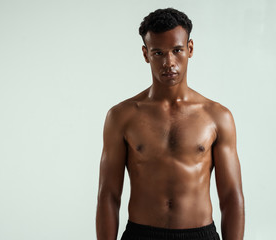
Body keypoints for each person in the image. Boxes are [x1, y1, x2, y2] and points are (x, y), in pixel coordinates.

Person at [96, 8, 245, 240]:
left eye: (177, 50)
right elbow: (108, 195)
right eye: (158, 53)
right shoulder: (121, 116)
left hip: (199, 235)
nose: (169, 62)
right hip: (141, 234)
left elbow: (231, 197)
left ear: (190, 49)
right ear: (146, 54)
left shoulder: (217, 117)